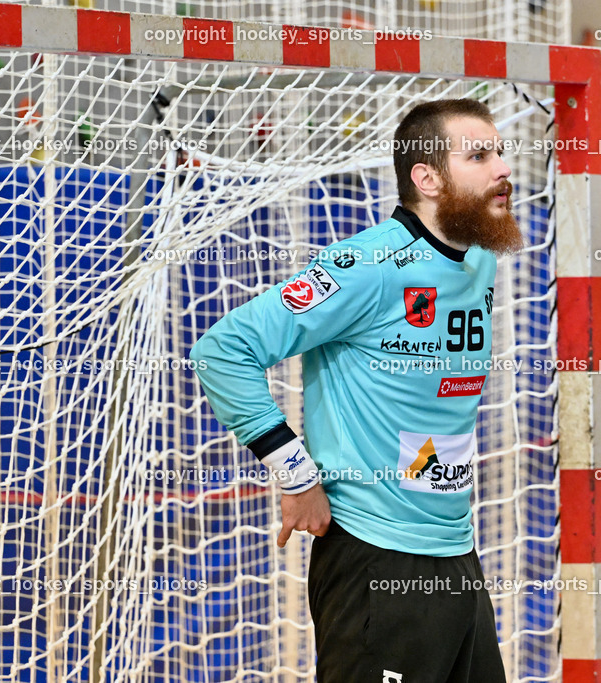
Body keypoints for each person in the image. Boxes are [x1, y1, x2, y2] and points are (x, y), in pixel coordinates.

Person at [190, 98, 521, 682]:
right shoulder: (366, 265)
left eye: (500, 151)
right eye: (479, 156)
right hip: (375, 558)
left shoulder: (478, 261)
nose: (503, 168)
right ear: (427, 179)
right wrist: (297, 475)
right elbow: (222, 351)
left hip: (456, 554)